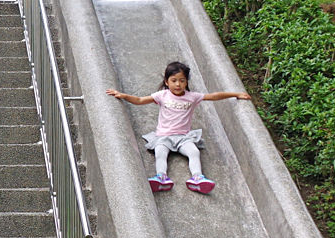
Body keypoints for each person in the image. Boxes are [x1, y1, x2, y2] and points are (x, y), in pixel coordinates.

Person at [107, 61, 250, 193]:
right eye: (174, 80)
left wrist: (236, 94)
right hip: (164, 136)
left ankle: (197, 178)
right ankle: (161, 177)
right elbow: (140, 100)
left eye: (182, 80)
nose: (178, 84)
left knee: (194, 152)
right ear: (166, 82)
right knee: (160, 153)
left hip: (183, 137)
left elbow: (213, 96)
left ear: (186, 82)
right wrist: (123, 96)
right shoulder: (162, 95)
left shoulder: (192, 96)